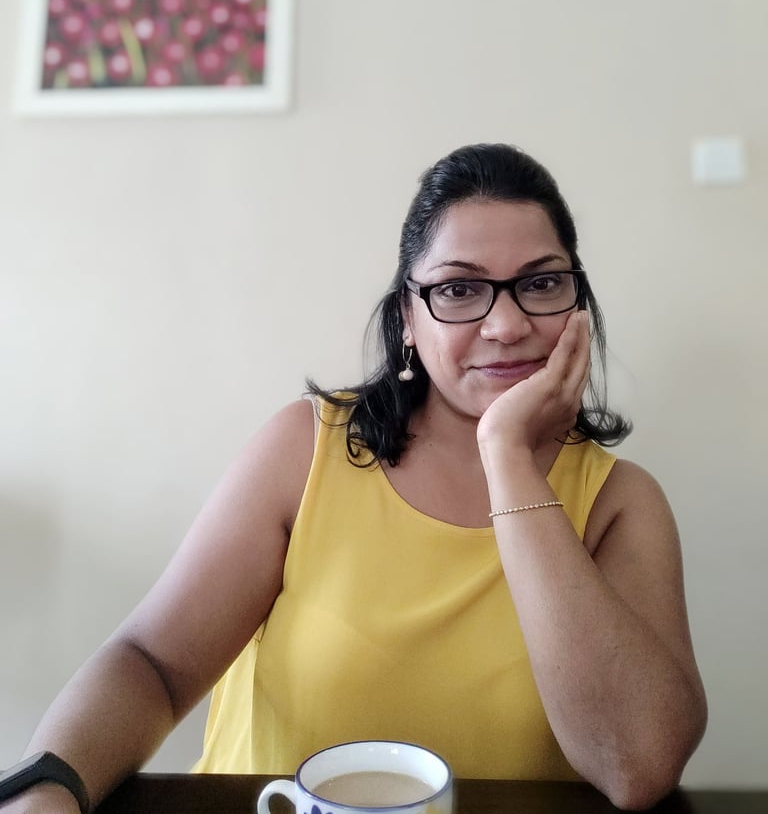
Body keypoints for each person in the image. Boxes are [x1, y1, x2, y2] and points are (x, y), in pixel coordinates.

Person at [0, 143, 706, 813]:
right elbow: (151, 662)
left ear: (577, 305)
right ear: (408, 319)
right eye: (459, 289)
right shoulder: (305, 449)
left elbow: (637, 767)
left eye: (541, 283)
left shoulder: (620, 503)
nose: (506, 323)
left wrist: (508, 456)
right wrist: (46, 784)